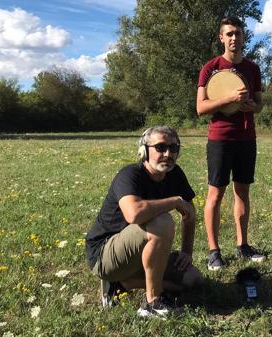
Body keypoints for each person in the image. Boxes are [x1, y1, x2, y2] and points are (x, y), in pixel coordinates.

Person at [85, 126, 202, 318]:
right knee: (162, 221)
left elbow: (189, 212)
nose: (168, 154)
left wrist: (187, 252)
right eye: (161, 147)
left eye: (174, 148)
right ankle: (153, 303)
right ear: (144, 151)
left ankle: (121, 284)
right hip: (105, 255)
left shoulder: (175, 174)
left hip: (140, 253)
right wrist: (174, 201)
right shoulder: (130, 175)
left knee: (192, 279)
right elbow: (134, 214)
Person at [196, 16, 265, 271]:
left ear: (243, 36)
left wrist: (250, 106)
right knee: (215, 193)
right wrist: (227, 99)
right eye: (230, 34)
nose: (234, 38)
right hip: (220, 139)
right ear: (221, 38)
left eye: (238, 33)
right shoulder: (210, 67)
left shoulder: (253, 69)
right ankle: (214, 252)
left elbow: (259, 105)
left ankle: (243, 245)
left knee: (242, 193)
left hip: (247, 138)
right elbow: (201, 108)